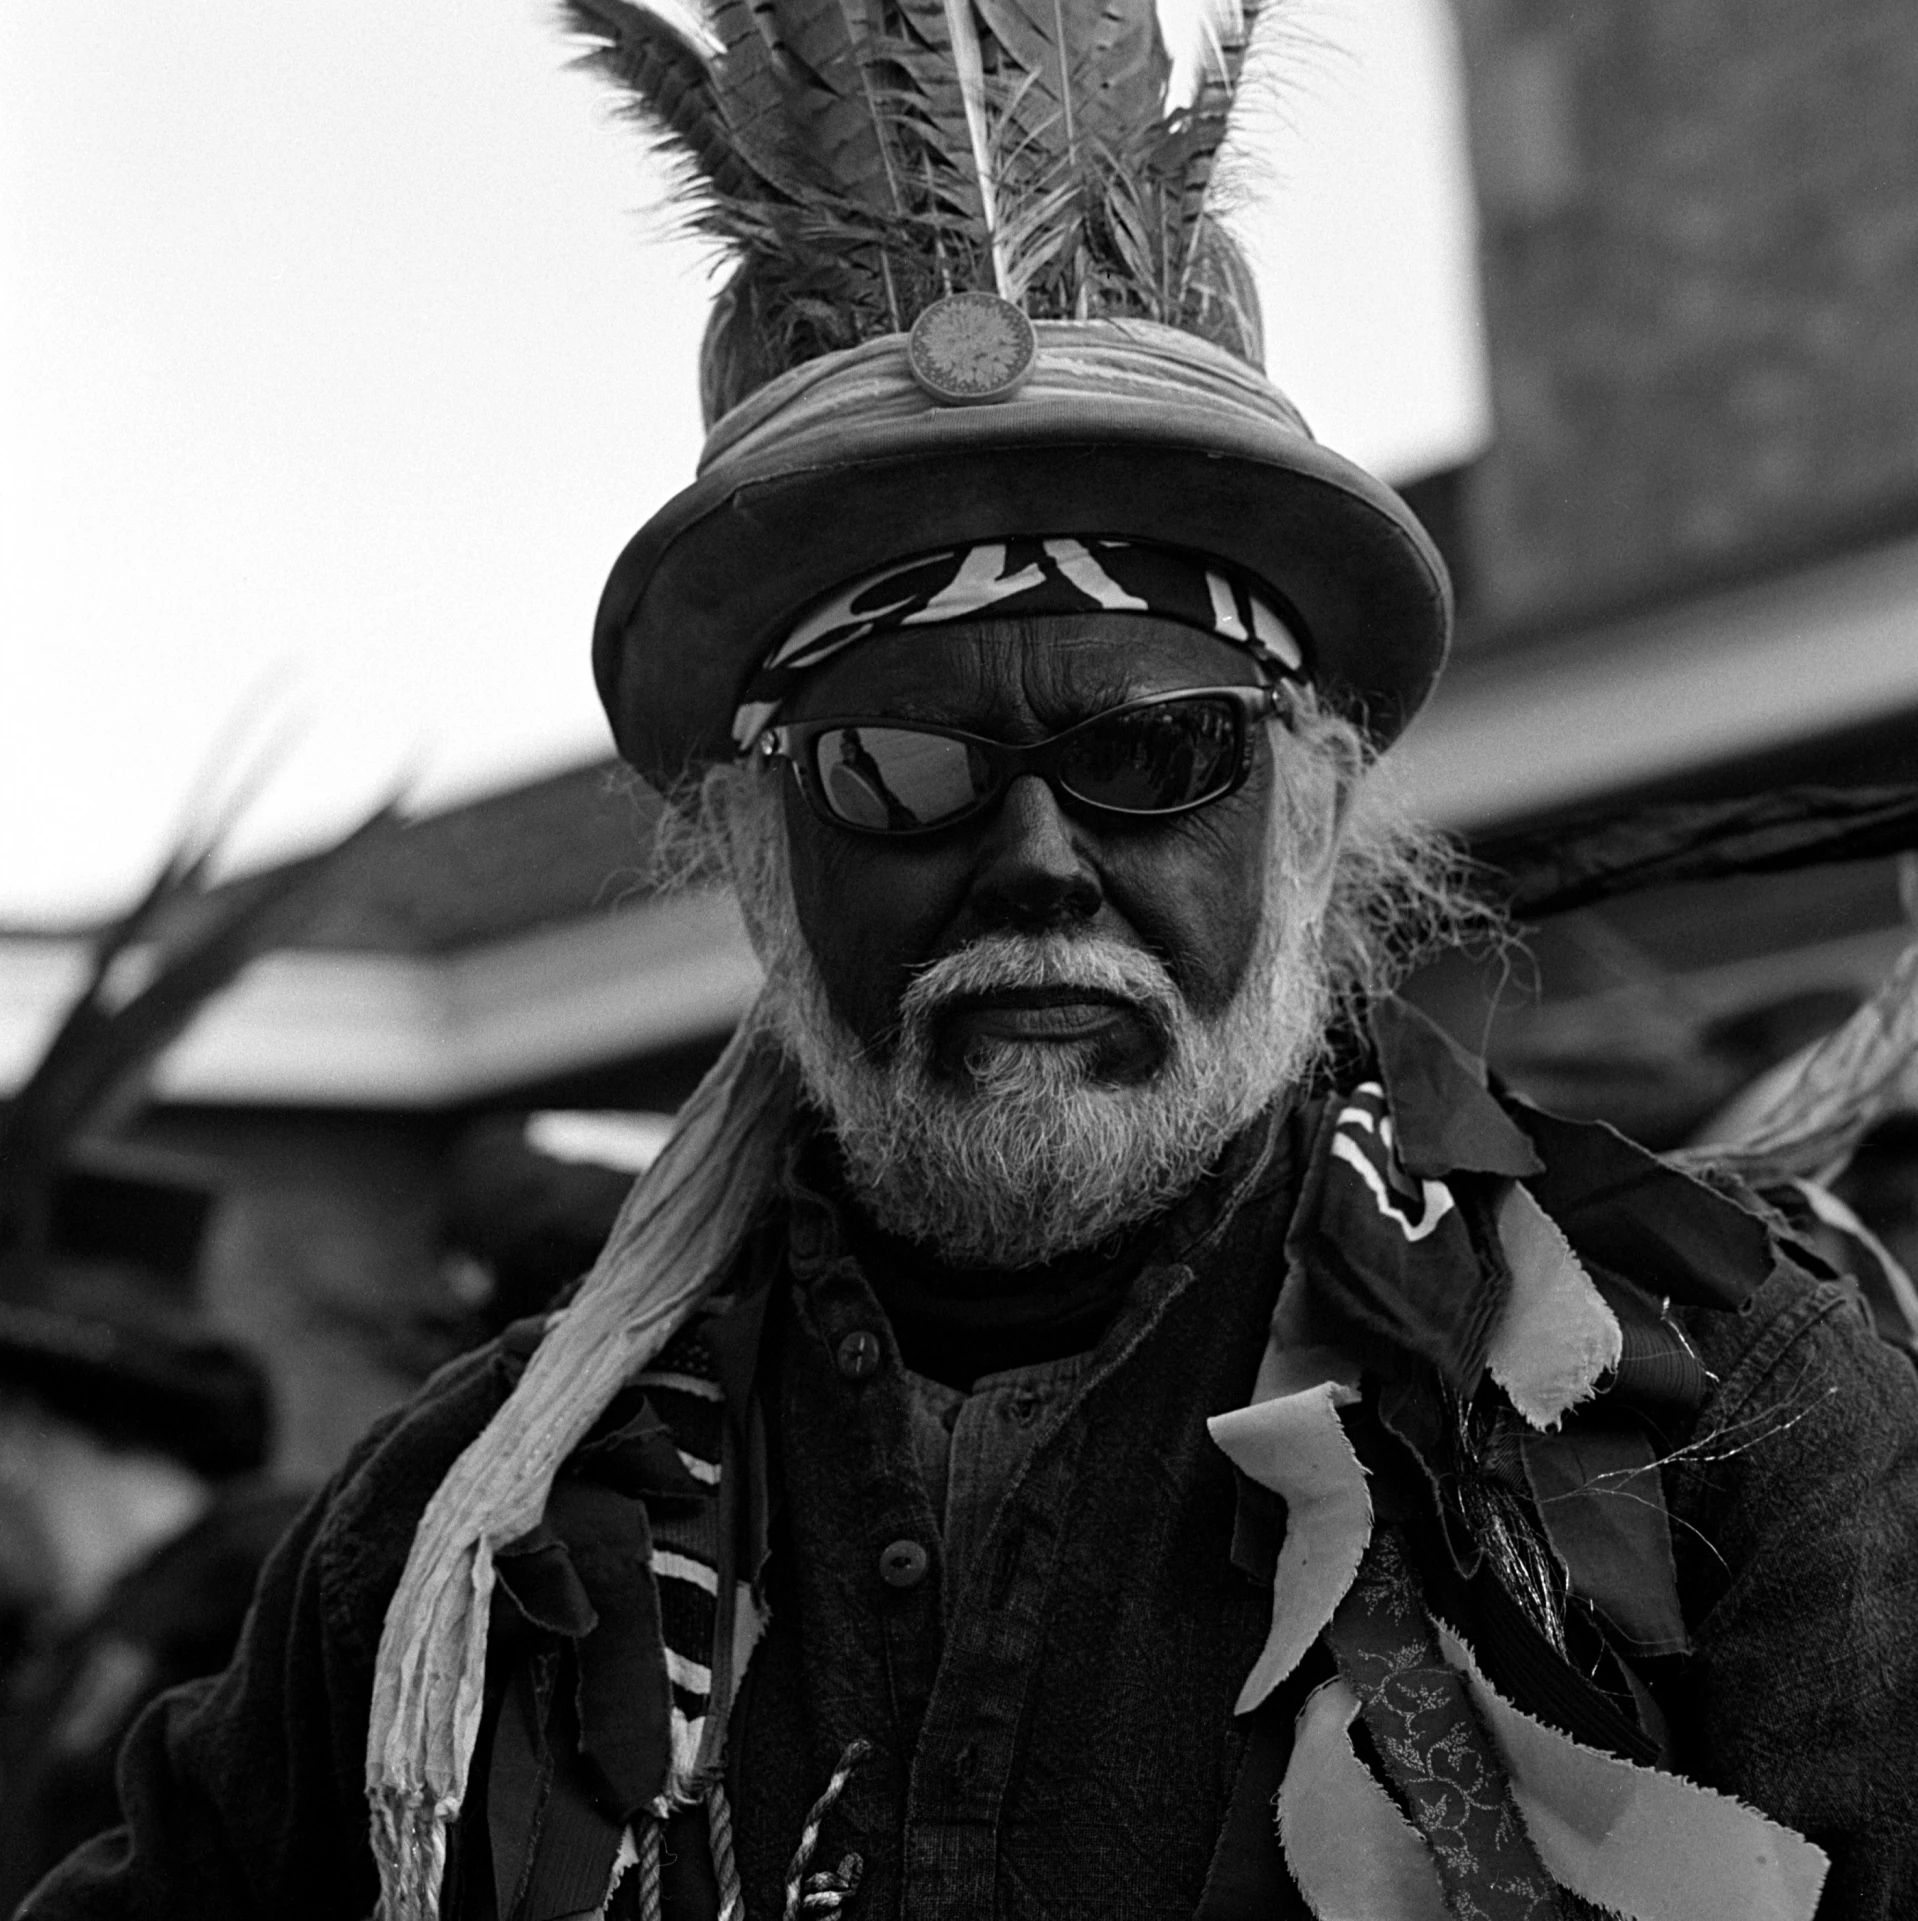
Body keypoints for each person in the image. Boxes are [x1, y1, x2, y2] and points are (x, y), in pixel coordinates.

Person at [21, 0, 1918, 1915]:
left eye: (1155, 754)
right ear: (761, 863)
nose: (1035, 861)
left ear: (1318, 815)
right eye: (899, 770)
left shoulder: (1722, 1410)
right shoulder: (461, 1531)